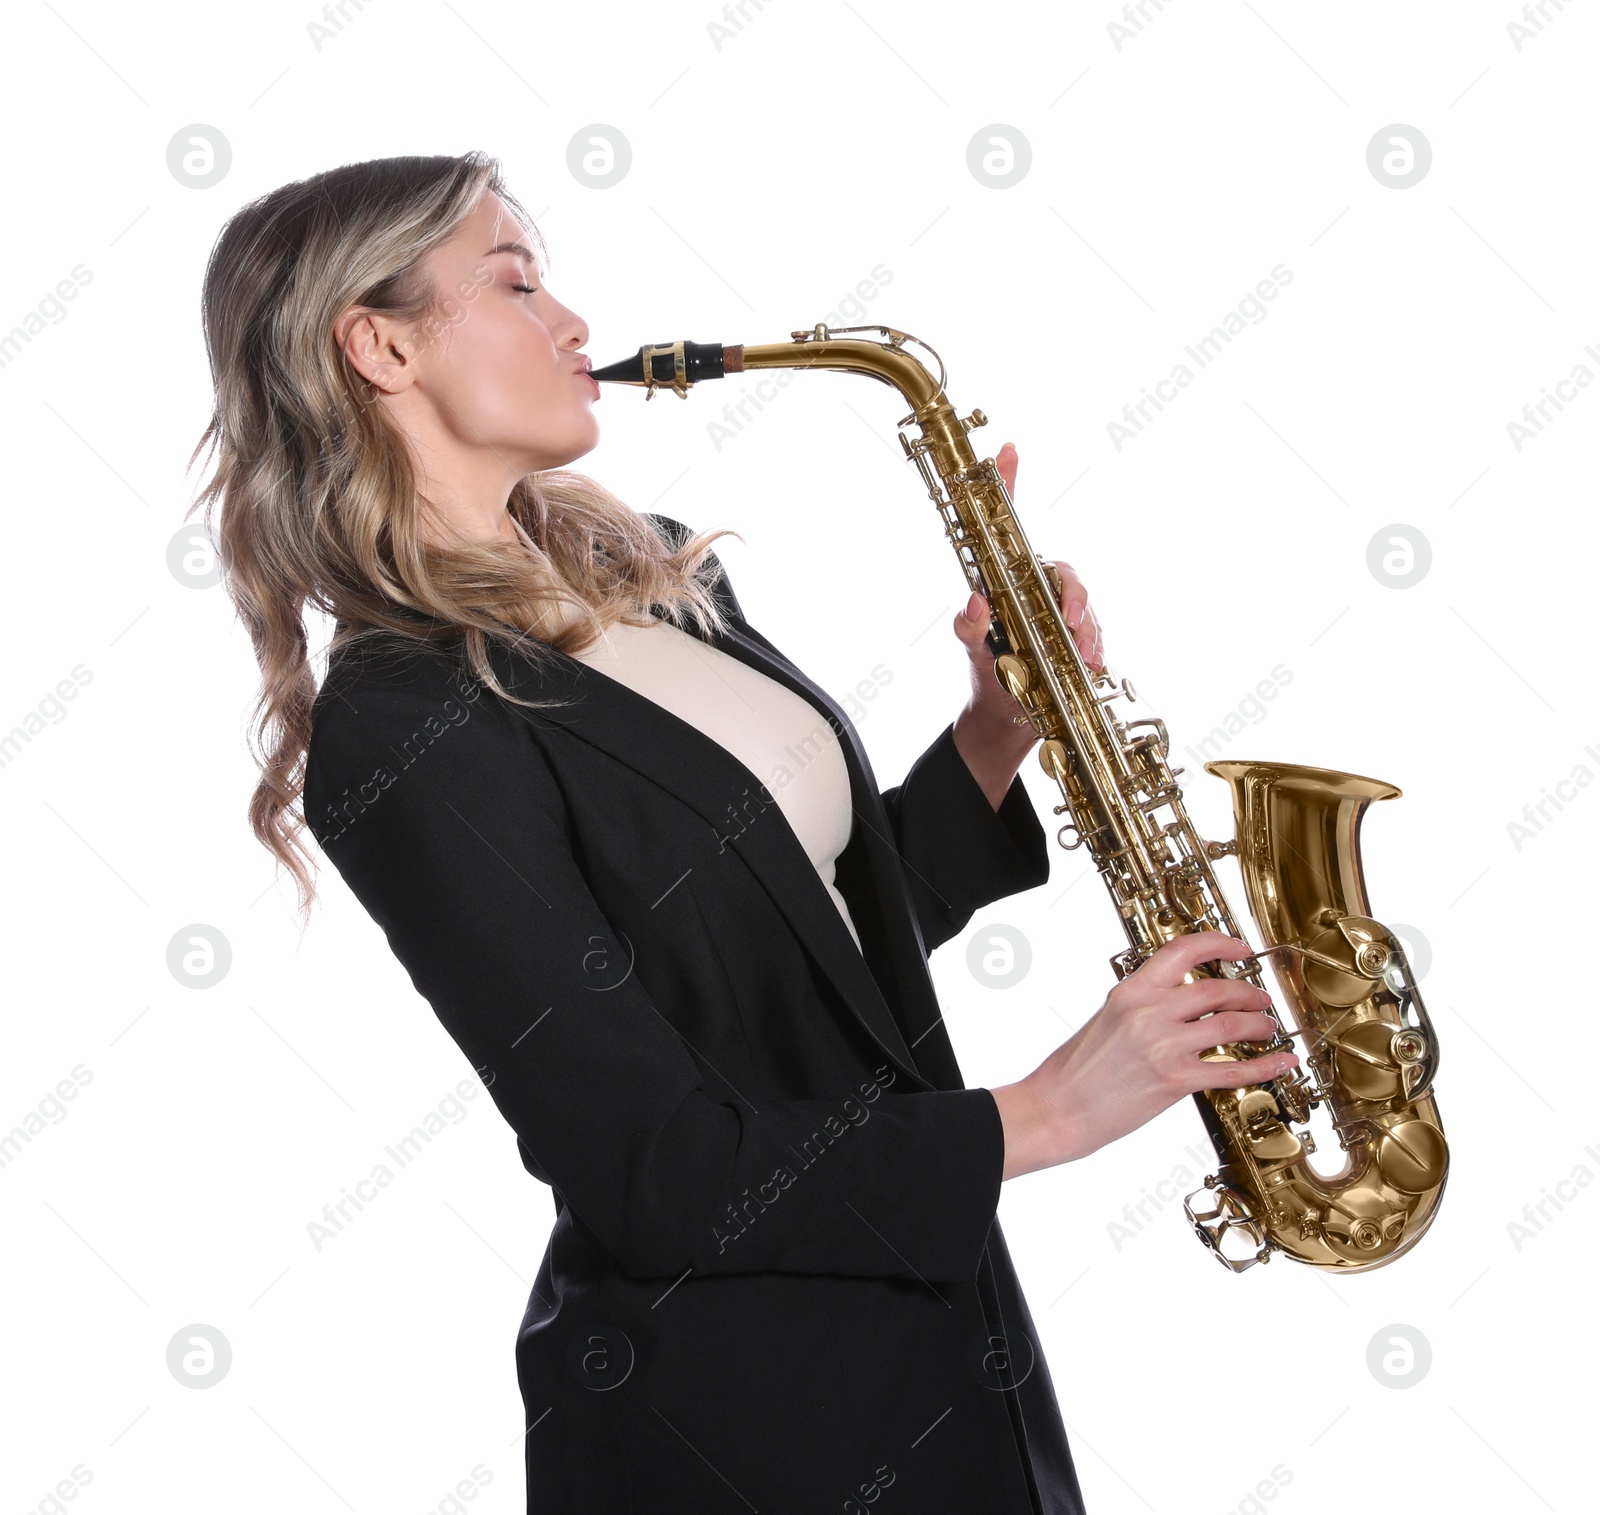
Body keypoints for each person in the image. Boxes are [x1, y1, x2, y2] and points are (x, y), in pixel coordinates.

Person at [193, 151, 1298, 1515]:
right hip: (740, 1418)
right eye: (517, 282)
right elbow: (651, 1170)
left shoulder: (653, 574)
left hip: (946, 1338)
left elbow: (811, 928)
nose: (574, 324)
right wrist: (1047, 1111)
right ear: (377, 346)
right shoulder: (403, 715)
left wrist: (997, 731)